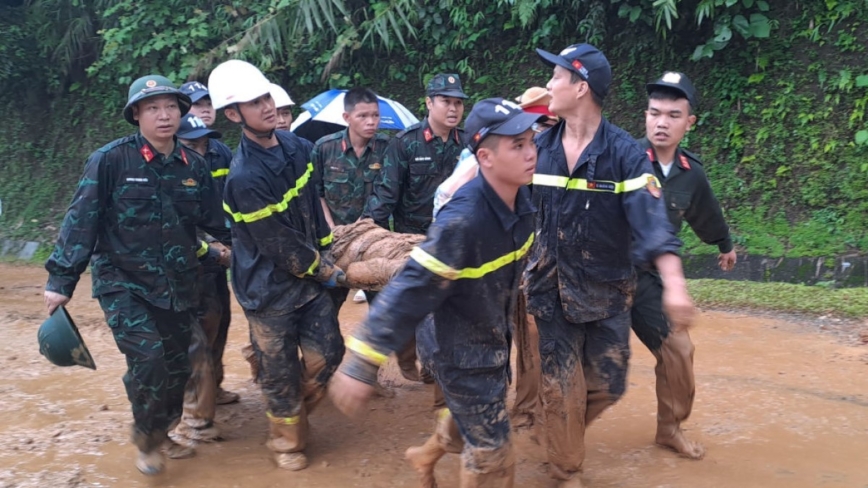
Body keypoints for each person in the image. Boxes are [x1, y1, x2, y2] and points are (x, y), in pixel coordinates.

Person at [331, 98, 543, 488]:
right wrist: (361, 362)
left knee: (469, 420)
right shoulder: (463, 221)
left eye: (532, 141)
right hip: (458, 349)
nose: (532, 153)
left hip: (490, 335)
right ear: (486, 157)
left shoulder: (523, 202)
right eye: (518, 145)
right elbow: (413, 286)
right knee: (493, 457)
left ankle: (424, 456)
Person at [43, 74, 231, 476]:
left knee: (179, 366)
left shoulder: (192, 165)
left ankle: (162, 429)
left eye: (170, 108)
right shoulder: (111, 160)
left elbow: (218, 222)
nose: (164, 116)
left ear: (181, 113)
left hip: (180, 284)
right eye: (152, 108)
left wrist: (248, 246)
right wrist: (61, 281)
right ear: (136, 115)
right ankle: (147, 438)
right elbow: (81, 221)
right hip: (123, 282)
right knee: (150, 361)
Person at [525, 43, 694, 487]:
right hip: (549, 289)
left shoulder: (624, 155)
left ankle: (559, 428)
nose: (550, 85)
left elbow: (654, 224)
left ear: (581, 88)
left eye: (557, 77)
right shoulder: (537, 147)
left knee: (608, 384)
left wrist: (674, 286)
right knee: (562, 384)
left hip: (607, 294)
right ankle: (565, 469)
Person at [208, 59, 346, 471]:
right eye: (254, 102)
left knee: (329, 355)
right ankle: (286, 441)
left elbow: (312, 210)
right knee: (280, 368)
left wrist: (329, 248)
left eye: (267, 96)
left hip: (309, 279)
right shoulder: (244, 177)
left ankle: (286, 402)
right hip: (267, 290)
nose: (267, 107)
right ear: (234, 114)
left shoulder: (300, 149)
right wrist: (326, 271)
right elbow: (278, 243)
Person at [631, 71, 737, 459]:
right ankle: (554, 431)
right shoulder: (622, 159)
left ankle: (670, 428)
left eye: (673, 115)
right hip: (602, 279)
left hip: (646, 281)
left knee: (678, 349)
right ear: (645, 116)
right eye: (655, 113)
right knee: (588, 368)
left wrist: (724, 245)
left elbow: (705, 212)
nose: (662, 123)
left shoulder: (691, 174)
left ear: (689, 123)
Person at [364, 73, 468, 383]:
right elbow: (386, 196)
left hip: (456, 240)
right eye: (446, 101)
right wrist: (373, 239)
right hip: (414, 242)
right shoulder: (405, 143)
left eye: (458, 102)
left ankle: (440, 369)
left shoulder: (467, 143)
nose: (453, 109)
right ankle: (416, 360)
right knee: (418, 310)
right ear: (429, 103)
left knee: (454, 308)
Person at [179, 81, 239, 406]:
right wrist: (211, 247)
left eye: (208, 103)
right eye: (195, 104)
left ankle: (213, 386)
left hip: (220, 256)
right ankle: (194, 398)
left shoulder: (220, 151)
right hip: (190, 257)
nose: (204, 109)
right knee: (197, 327)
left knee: (221, 317)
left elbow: (232, 201)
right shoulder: (171, 157)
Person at [312, 87, 389, 306]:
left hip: (374, 241)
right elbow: (316, 193)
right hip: (335, 241)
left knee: (383, 309)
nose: (371, 122)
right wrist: (330, 228)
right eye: (362, 116)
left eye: (375, 115)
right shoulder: (325, 148)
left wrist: (364, 228)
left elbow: (389, 192)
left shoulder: (387, 148)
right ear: (347, 117)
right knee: (327, 307)